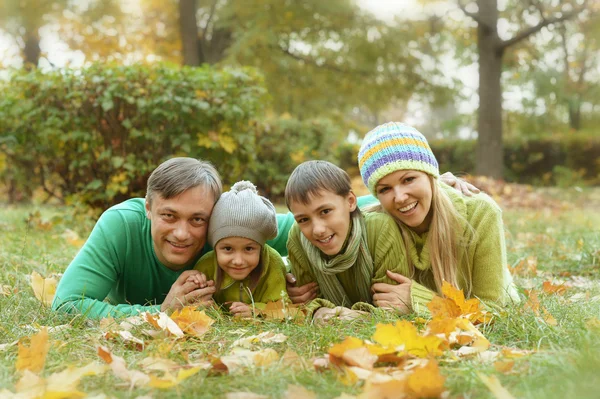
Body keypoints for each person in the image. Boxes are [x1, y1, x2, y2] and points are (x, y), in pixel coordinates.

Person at [51, 157, 477, 319]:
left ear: (215, 217)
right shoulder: (121, 225)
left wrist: (426, 188)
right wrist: (156, 315)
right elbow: (66, 304)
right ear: (148, 209)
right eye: (168, 216)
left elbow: (319, 216)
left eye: (198, 219)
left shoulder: (228, 233)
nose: (184, 233)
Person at [358, 122, 519, 314]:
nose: (400, 197)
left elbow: (492, 309)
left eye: (409, 179)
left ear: (431, 175)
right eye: (385, 189)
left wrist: (421, 302)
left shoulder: (480, 213)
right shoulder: (376, 220)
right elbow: (342, 207)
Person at [285, 161, 409, 321]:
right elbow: (307, 302)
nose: (317, 230)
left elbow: (392, 305)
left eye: (325, 211)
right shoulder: (298, 238)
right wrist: (317, 312)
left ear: (350, 201)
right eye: (303, 219)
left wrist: (359, 317)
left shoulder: (380, 229)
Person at [191, 181, 288, 317]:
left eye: (248, 249)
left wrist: (255, 310)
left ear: (260, 247)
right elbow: (195, 303)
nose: (238, 261)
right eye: (228, 248)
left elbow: (282, 305)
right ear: (215, 247)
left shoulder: (272, 264)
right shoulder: (205, 266)